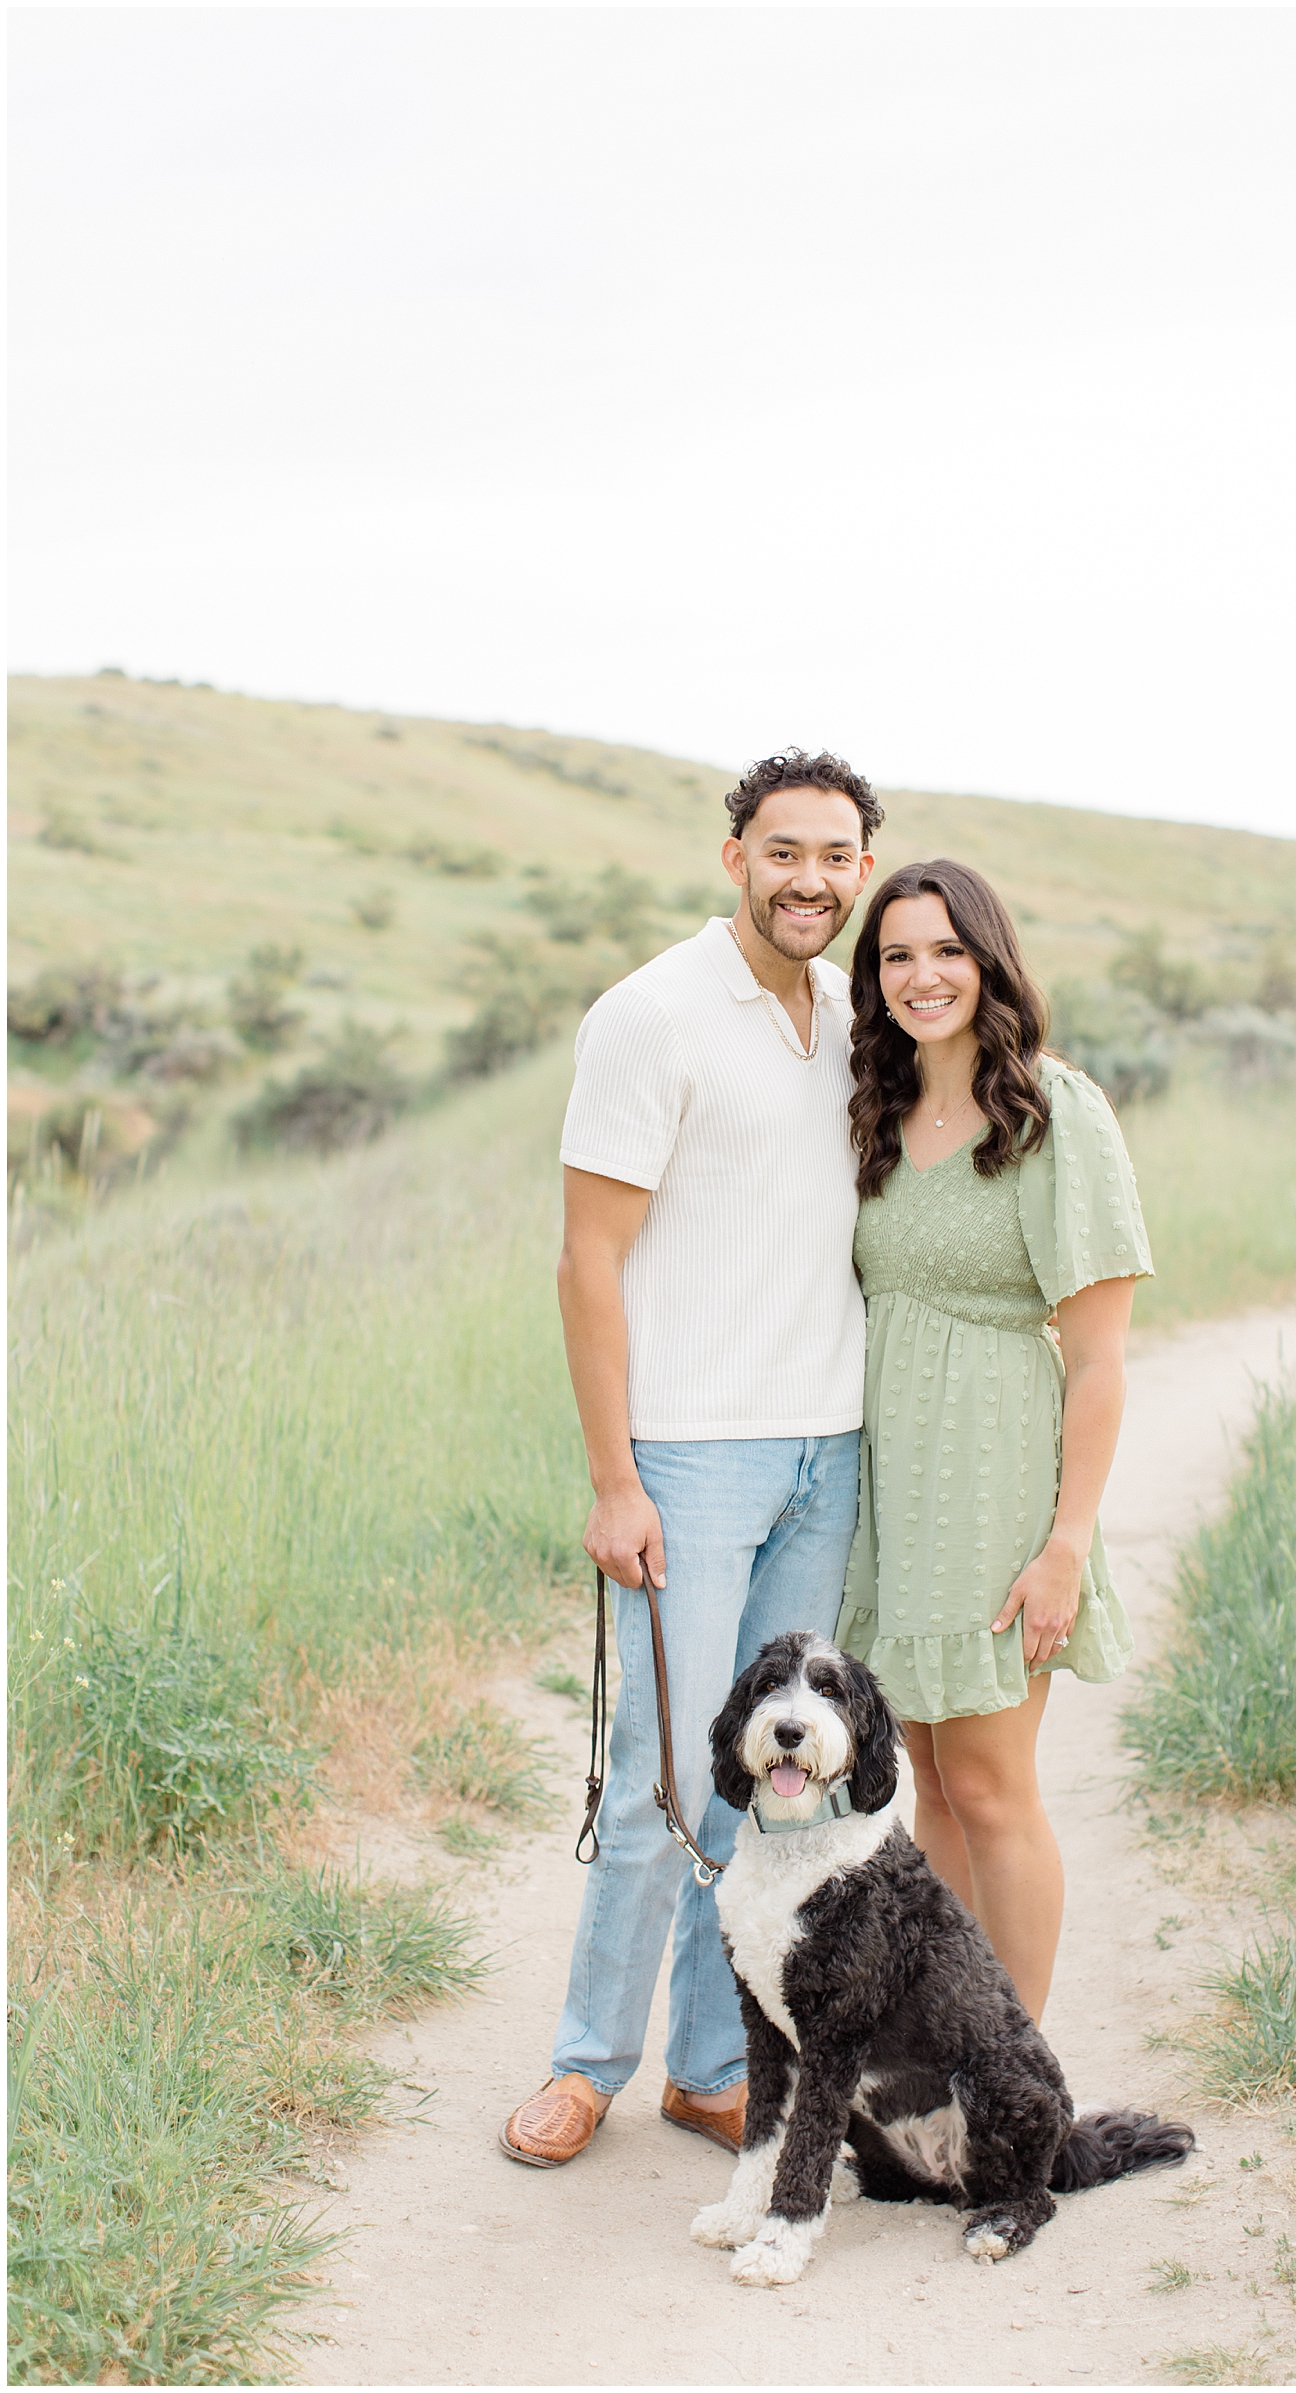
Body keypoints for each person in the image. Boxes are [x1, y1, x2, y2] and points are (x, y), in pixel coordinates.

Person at [500, 748, 881, 2170]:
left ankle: (715, 2065)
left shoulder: (853, 1016)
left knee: (780, 1782)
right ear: (737, 856)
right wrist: (616, 1477)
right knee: (666, 1767)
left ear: (860, 867)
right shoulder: (650, 1016)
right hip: (693, 1456)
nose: (812, 880)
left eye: (837, 856)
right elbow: (586, 1261)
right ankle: (588, 2063)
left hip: (824, 1454)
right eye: (786, 852)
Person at [835, 858, 1149, 2021]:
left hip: (997, 1480)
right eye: (897, 955)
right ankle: (944, 2054)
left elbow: (1101, 1357)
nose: (923, 976)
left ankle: (1017, 2078)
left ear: (989, 958)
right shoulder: (879, 1107)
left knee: (993, 1785)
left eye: (946, 950)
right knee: (929, 1787)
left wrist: (1065, 1542)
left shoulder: (1051, 1110)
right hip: (895, 1488)